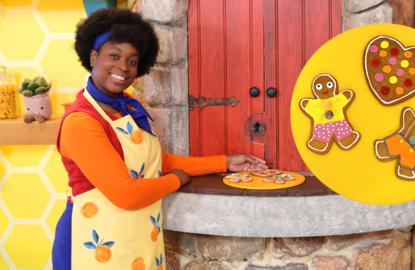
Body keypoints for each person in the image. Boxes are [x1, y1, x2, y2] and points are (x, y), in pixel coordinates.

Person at [51, 8, 267, 270]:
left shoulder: (126, 106)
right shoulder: (81, 122)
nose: (123, 67)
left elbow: (151, 161)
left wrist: (224, 163)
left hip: (131, 240)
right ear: (93, 56)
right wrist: (176, 180)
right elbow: (126, 194)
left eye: (132, 61)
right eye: (114, 56)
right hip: (90, 243)